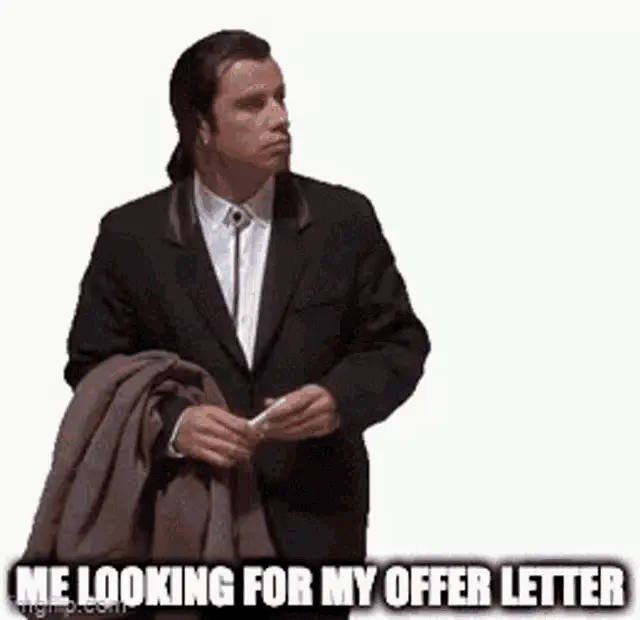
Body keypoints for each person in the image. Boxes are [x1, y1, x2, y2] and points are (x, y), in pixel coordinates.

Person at [64, 29, 430, 619]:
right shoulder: (130, 236)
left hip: (313, 534)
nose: (280, 118)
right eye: (252, 104)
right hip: (178, 531)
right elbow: (93, 366)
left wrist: (337, 400)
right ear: (200, 127)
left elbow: (399, 344)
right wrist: (174, 425)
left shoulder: (344, 221)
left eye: (281, 98)